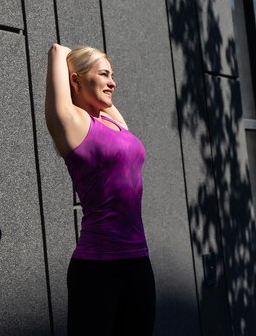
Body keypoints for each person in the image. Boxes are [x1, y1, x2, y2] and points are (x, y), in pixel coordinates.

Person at [45, 44, 155, 336]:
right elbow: (57, 50)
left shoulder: (111, 121)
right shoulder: (73, 124)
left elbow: (104, 98)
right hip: (98, 268)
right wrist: (73, 59)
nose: (113, 82)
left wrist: (98, 75)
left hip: (138, 260)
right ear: (76, 80)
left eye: (112, 75)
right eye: (104, 74)